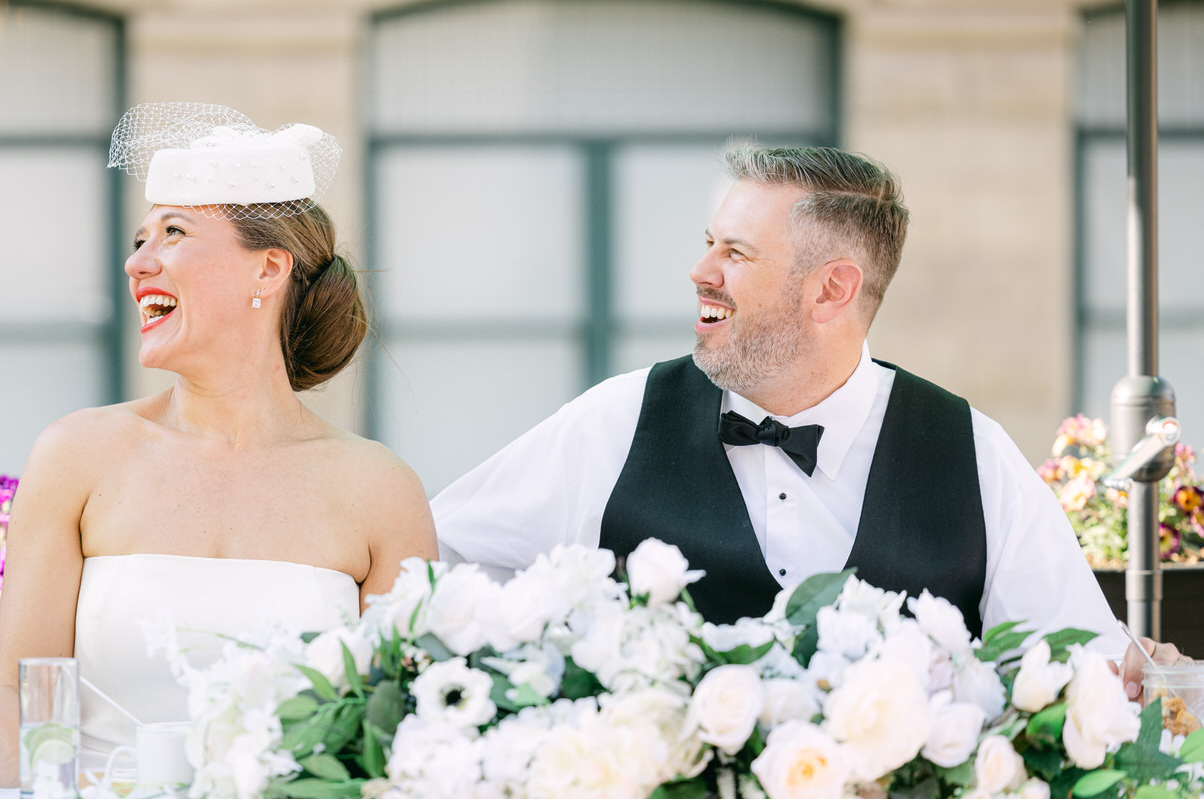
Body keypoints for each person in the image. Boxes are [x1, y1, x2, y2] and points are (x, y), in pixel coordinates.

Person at [432, 144, 1184, 689]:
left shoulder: (972, 454)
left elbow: (1080, 665)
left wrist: (1145, 679)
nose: (700, 272)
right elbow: (434, 561)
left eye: (735, 252)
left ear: (831, 290)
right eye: (707, 245)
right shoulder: (616, 421)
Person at [0, 105, 436, 789]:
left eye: (173, 233)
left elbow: (404, 732)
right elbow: (18, 700)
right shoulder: (76, 456)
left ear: (267, 271)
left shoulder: (381, 489)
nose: (136, 261)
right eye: (140, 237)